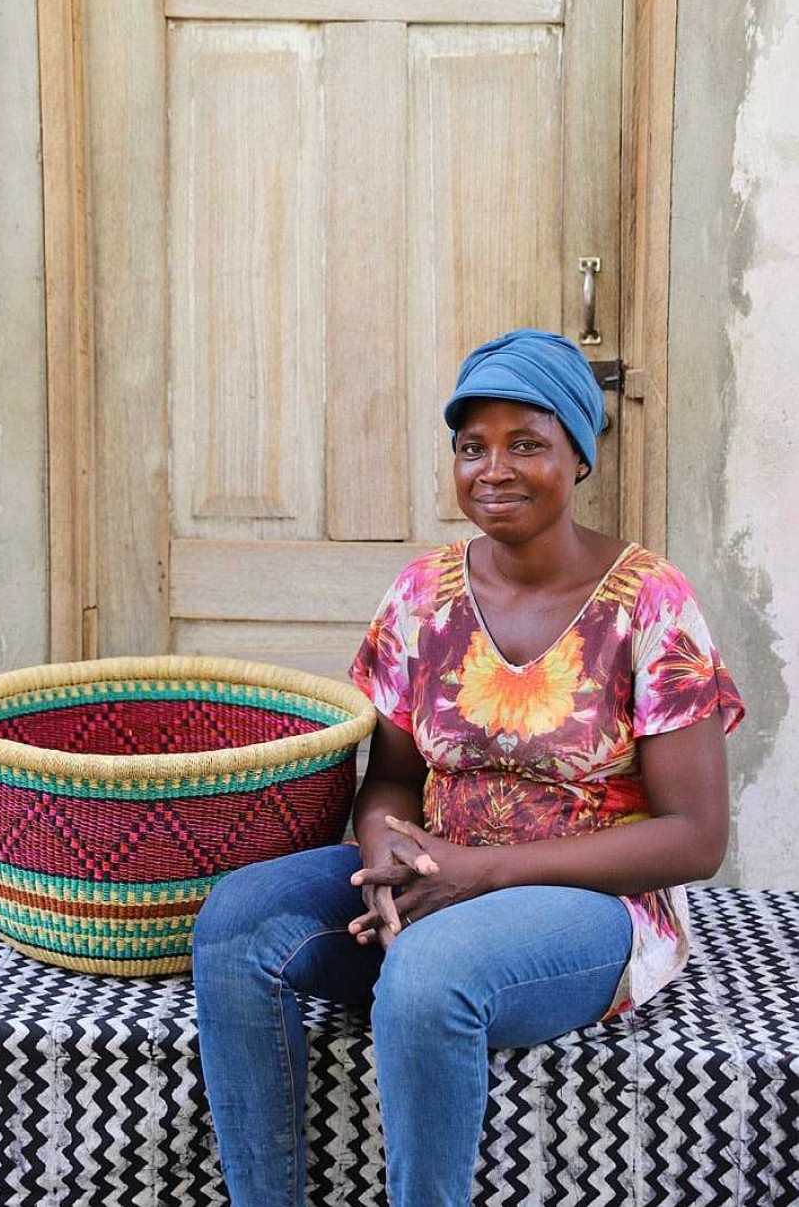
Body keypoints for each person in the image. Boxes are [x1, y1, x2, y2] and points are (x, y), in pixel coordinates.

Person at [192, 328, 744, 1207]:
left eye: (526, 442)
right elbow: (391, 780)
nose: (493, 467)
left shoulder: (651, 603)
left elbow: (695, 838)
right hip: (434, 872)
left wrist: (478, 874)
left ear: (576, 455)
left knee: (428, 975)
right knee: (238, 921)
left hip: (592, 903)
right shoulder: (422, 595)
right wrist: (387, 861)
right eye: (470, 446)